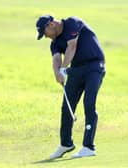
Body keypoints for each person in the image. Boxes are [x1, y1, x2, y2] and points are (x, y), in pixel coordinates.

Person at [36, 15, 105, 159]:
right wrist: (57, 73)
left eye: (45, 33)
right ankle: (66, 143)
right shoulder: (54, 42)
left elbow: (72, 46)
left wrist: (63, 68)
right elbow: (56, 58)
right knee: (66, 107)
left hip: (94, 66)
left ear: (51, 25)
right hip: (76, 70)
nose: (46, 37)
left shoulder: (72, 23)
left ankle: (88, 147)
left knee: (89, 103)